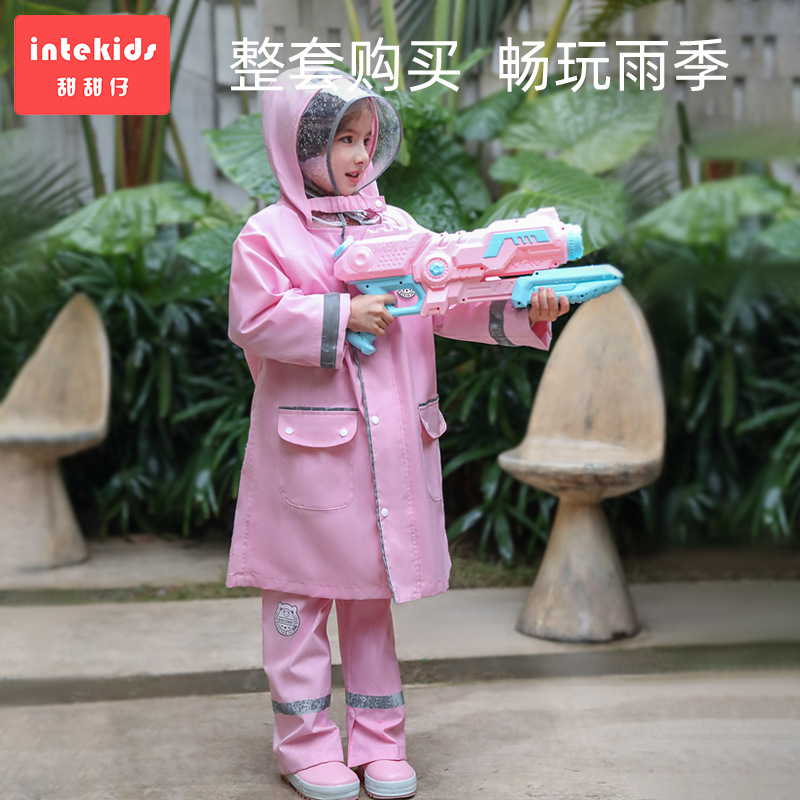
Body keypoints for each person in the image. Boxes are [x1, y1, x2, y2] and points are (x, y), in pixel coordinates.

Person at [226, 66, 569, 800]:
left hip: (387, 453)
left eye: (365, 139)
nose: (357, 155)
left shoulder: (398, 227)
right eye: (340, 139)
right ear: (297, 144)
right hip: (308, 458)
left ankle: (380, 739)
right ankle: (304, 744)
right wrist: (339, 315)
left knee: (370, 597)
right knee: (297, 603)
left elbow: (451, 297)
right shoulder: (268, 235)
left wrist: (525, 305)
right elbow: (253, 320)